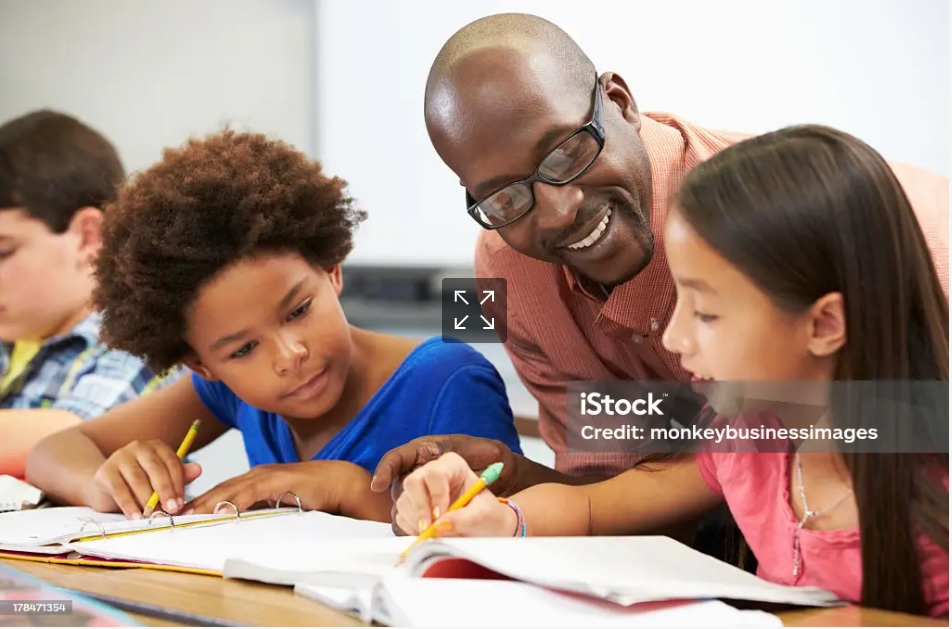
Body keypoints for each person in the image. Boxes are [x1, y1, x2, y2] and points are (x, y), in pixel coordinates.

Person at [371, 12, 948, 498]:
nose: (557, 211)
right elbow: (611, 483)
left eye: (566, 151)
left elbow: (920, 424)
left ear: (620, 103)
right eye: (505, 195)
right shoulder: (507, 271)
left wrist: (734, 439)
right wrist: (516, 475)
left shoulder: (820, 213)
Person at [392, 124, 949, 618]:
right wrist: (502, 519)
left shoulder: (932, 486)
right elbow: (595, 504)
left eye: (706, 312)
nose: (676, 340)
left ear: (824, 324)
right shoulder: (752, 436)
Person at [25, 129, 522, 522]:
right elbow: (54, 450)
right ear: (202, 363)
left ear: (332, 270)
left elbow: (498, 527)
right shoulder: (224, 392)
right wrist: (105, 481)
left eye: (298, 310)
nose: (289, 356)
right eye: (242, 350)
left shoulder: (447, 379)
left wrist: (343, 488)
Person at [0, 110, 177, 479]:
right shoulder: (14, 334)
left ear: (88, 237)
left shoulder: (140, 336)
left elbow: (80, 438)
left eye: (4, 252)